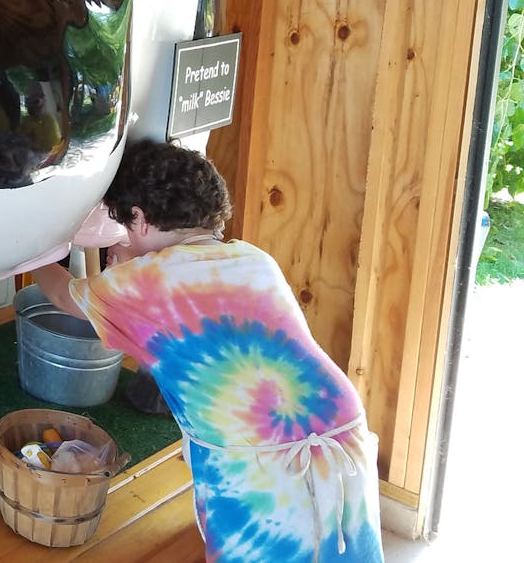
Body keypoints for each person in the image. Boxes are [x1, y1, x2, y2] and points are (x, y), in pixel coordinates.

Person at [33, 138, 383, 563]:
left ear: (140, 219)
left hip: (263, 448)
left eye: (124, 227)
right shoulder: (253, 258)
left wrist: (27, 248)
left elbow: (64, 296)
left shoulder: (145, 283)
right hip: (338, 422)